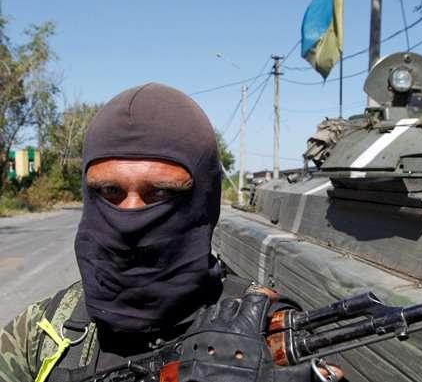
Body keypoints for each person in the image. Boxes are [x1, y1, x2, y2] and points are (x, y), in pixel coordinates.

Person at [0, 83, 342, 382]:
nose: (130, 215)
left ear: (204, 200)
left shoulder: (269, 333)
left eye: (160, 192)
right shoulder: (42, 331)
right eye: (110, 191)